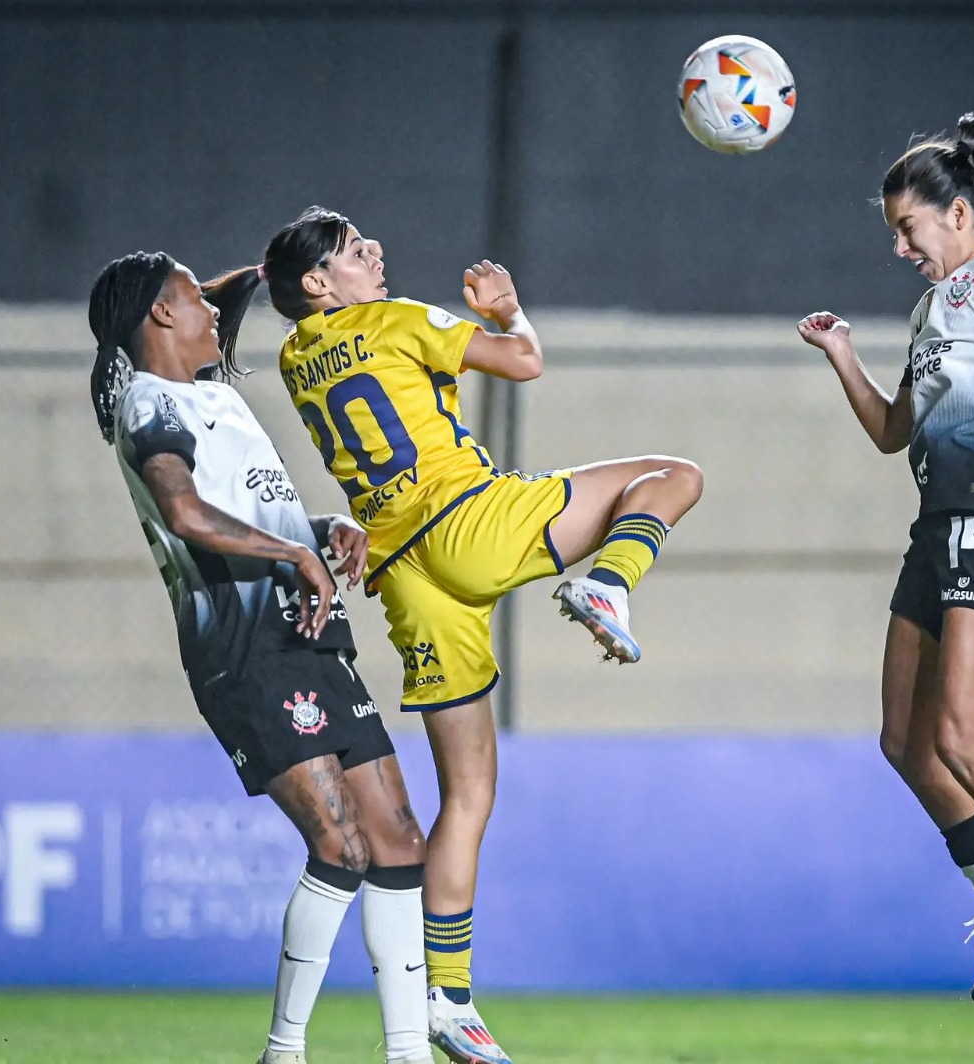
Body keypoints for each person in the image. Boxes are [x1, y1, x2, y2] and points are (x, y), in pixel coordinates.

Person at [202, 208, 703, 1064]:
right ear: (319, 283)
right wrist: (507, 311)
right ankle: (611, 586)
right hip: (470, 521)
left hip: (405, 579)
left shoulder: (293, 357)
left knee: (465, 796)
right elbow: (525, 363)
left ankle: (449, 999)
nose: (377, 253)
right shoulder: (398, 321)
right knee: (672, 476)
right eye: (356, 250)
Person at [87, 251, 436, 1064]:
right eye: (190, 299)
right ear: (161, 317)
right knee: (339, 848)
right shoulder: (151, 403)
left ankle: (409, 1051)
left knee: (398, 839)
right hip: (245, 652)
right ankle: (284, 1052)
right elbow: (183, 509)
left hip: (306, 631)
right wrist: (293, 556)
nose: (212, 314)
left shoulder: (214, 397)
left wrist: (320, 533)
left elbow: (254, 510)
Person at [798, 115, 974, 999]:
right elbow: (895, 431)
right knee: (906, 742)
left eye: (908, 228)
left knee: (963, 733)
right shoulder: (933, 305)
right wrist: (844, 356)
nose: (900, 247)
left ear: (960, 213)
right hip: (943, 520)